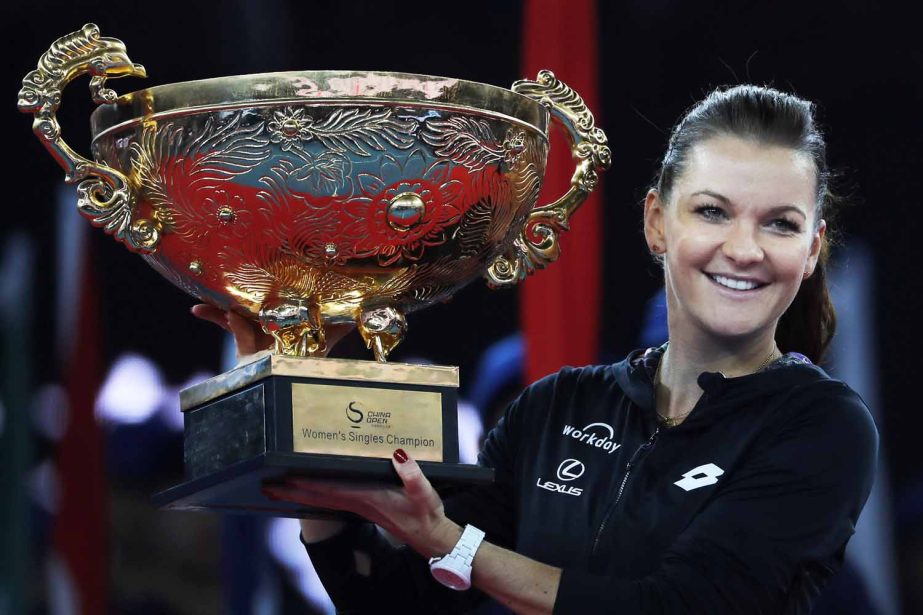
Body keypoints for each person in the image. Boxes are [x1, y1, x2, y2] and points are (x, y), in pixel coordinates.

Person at [193, 85, 879, 614]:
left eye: (780, 224)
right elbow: (403, 605)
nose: (743, 249)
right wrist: (311, 439)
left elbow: (677, 606)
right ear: (655, 222)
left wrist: (453, 543)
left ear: (811, 248)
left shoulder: (821, 426)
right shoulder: (553, 406)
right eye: (712, 210)